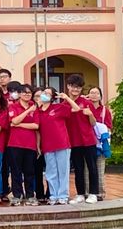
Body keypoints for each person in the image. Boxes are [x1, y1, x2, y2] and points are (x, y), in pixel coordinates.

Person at [37, 87, 83, 205]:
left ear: (53, 97)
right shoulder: (38, 111)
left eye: (48, 93)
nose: (45, 95)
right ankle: (53, 195)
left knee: (63, 171)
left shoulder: (58, 107)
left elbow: (76, 109)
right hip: (47, 146)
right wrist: (38, 146)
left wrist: (66, 98)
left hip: (62, 144)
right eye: (44, 92)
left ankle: (63, 195)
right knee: (51, 172)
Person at [64, 74, 99, 205]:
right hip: (74, 141)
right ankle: (80, 194)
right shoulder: (64, 104)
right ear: (68, 86)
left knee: (92, 167)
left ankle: (93, 193)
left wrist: (90, 115)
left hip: (88, 140)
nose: (76, 89)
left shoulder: (87, 103)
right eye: (73, 86)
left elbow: (93, 123)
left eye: (78, 87)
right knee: (78, 169)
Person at [6, 84, 39, 206]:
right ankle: (17, 195)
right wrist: (28, 111)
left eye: (29, 92)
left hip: (30, 144)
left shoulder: (34, 107)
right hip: (15, 144)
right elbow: (14, 120)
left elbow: (36, 125)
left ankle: (30, 195)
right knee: (16, 171)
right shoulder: (13, 106)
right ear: (19, 94)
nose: (27, 94)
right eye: (24, 92)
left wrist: (19, 125)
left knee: (29, 171)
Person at [86, 86, 112, 200]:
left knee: (100, 169)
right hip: (87, 142)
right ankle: (88, 192)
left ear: (100, 96)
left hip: (99, 143)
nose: (94, 95)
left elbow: (109, 126)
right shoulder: (85, 108)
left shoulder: (105, 110)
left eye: (96, 93)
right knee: (87, 169)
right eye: (91, 92)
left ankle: (100, 193)